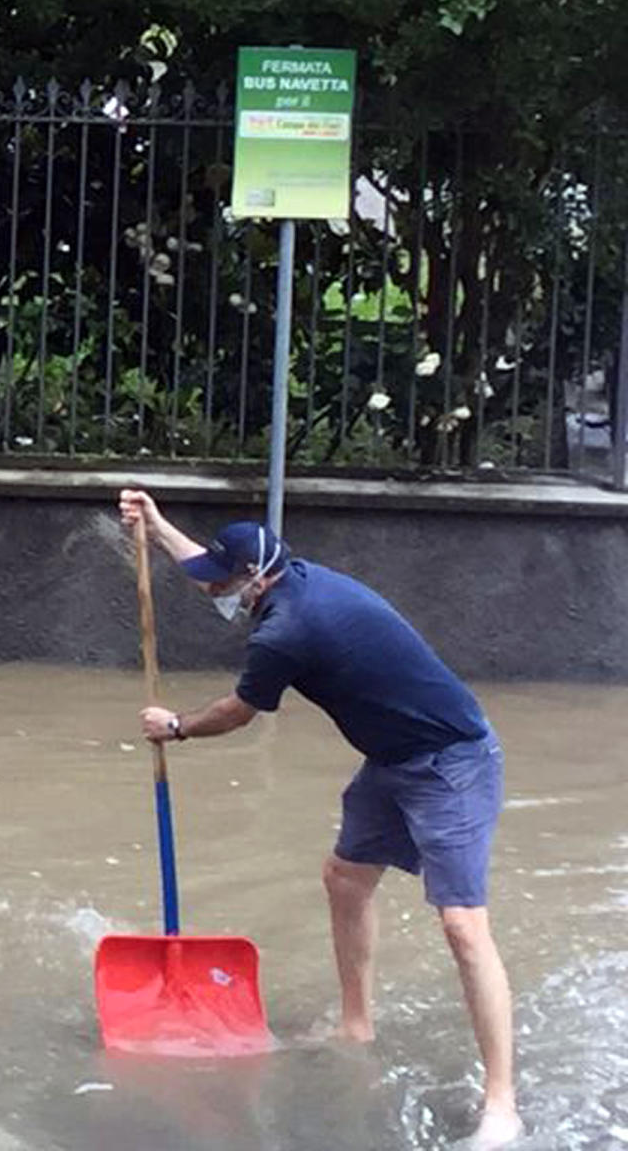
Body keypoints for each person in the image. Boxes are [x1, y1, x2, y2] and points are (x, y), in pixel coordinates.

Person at [118, 489, 517, 1148]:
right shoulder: (289, 577)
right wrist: (159, 528)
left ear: (252, 580)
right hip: (391, 760)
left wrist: (177, 727)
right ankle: (355, 1025)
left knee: (463, 927)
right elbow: (211, 570)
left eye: (222, 581)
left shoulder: (286, 632)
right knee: (345, 878)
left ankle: (501, 1104)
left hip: (452, 762)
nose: (214, 589)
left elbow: (239, 713)